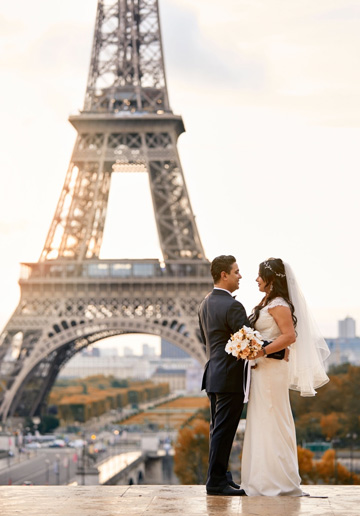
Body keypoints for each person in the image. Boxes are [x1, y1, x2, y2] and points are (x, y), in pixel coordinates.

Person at [240, 258, 330, 496]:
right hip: (264, 369)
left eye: (259, 275)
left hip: (271, 370)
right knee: (263, 420)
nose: (256, 279)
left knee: (272, 419)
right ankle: (264, 479)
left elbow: (289, 336)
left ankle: (274, 481)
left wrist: (261, 350)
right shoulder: (267, 302)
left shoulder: (279, 304)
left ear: (271, 279)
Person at [199, 255, 249, 496]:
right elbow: (249, 342)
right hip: (229, 377)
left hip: (212, 375)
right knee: (224, 430)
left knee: (217, 430)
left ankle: (220, 476)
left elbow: (205, 340)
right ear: (224, 275)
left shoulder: (204, 303)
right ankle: (216, 482)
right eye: (237, 271)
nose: (241, 276)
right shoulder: (233, 306)